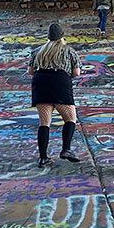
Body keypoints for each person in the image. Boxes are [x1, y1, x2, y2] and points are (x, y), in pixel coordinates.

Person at [28, 23, 82, 167]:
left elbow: (31, 71)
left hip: (40, 82)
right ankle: (66, 149)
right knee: (70, 119)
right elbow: (76, 73)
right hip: (60, 82)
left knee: (44, 122)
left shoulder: (38, 51)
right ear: (62, 37)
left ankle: (43, 157)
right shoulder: (69, 51)